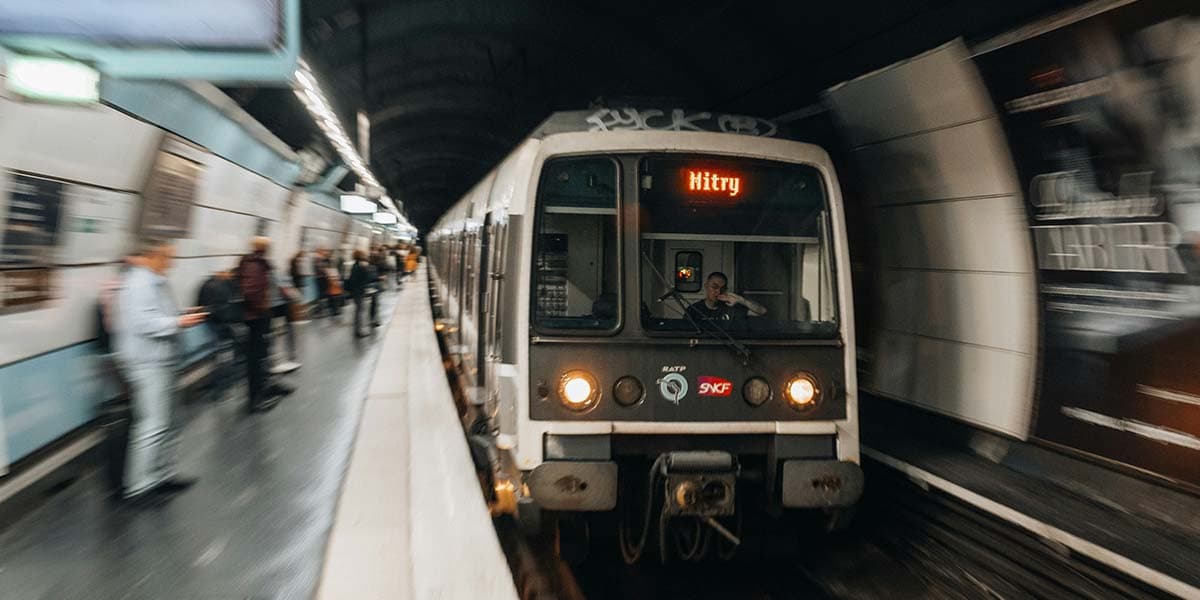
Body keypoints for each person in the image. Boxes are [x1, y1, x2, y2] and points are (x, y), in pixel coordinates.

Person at [113, 237, 206, 504]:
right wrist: (179, 322)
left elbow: (158, 315)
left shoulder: (156, 281)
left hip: (163, 360)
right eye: (168, 257)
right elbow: (144, 323)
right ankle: (139, 486)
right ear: (154, 256)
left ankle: (162, 474)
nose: (172, 263)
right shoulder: (139, 284)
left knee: (172, 421)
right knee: (152, 424)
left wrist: (181, 315)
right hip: (147, 362)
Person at [238, 236, 280, 413]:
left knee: (262, 356)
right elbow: (251, 292)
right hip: (255, 319)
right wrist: (261, 310)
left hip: (258, 316)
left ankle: (264, 389)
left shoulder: (258, 263)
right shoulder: (254, 265)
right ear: (263, 248)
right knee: (255, 359)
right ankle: (255, 400)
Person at [196, 268, 241, 396]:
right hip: (220, 323)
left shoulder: (207, 283)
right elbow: (224, 307)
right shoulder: (222, 285)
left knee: (219, 355)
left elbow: (200, 304)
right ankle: (222, 386)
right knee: (224, 354)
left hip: (210, 322)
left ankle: (219, 384)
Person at [686, 271, 767, 321]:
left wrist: (740, 299)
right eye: (714, 287)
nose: (718, 291)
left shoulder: (731, 308)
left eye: (722, 288)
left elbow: (762, 312)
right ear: (706, 286)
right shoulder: (694, 310)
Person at [347, 249, 376, 337]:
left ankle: (358, 330)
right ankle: (358, 331)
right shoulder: (360, 266)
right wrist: (367, 269)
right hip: (359, 291)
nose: (365, 256)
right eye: (363, 255)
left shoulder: (354, 265)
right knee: (359, 311)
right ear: (360, 256)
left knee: (359, 310)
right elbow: (367, 277)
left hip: (356, 290)